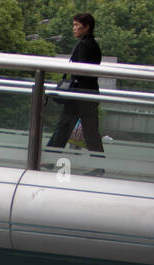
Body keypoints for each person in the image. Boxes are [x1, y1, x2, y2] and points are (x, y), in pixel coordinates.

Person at [47, 13, 105, 159]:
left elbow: (81, 71)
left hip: (78, 95)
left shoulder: (83, 45)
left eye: (76, 25)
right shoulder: (94, 45)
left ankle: (47, 159)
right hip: (90, 94)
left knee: (63, 127)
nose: (74, 29)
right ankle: (99, 165)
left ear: (87, 27)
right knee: (91, 132)